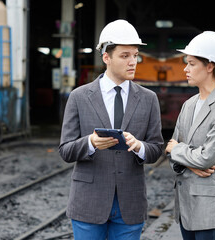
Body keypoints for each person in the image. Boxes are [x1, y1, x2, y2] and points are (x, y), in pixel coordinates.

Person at [59, 19, 164, 240]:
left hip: (130, 204)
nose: (133, 62)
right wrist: (90, 143)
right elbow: (66, 150)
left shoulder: (148, 99)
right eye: (125, 56)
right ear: (106, 57)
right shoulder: (79, 97)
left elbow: (156, 149)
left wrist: (139, 147)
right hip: (88, 202)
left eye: (135, 55)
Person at [165, 31, 215, 240]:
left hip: (209, 208)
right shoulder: (188, 104)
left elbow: (207, 158)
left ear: (209, 66)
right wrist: (188, 162)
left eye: (191, 63)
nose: (185, 69)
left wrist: (176, 150)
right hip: (185, 205)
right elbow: (170, 155)